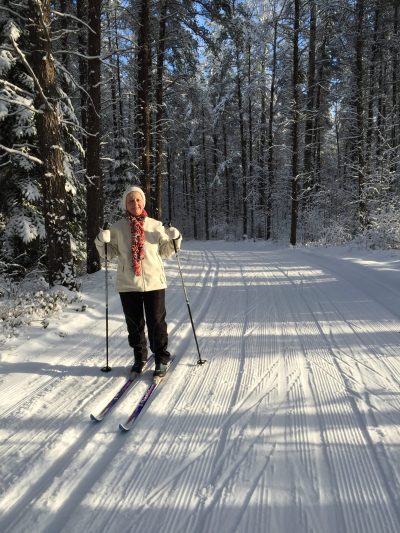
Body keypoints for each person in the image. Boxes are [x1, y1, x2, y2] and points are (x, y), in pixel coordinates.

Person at [95, 186, 182, 377]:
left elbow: (167, 251)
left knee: (156, 322)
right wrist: (102, 241)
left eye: (138, 200)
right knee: (134, 324)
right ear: (125, 204)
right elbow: (109, 255)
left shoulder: (155, 225)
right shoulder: (117, 228)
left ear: (143, 201)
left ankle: (160, 358)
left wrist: (175, 238)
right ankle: (139, 357)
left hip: (154, 282)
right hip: (128, 283)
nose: (135, 203)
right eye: (130, 201)